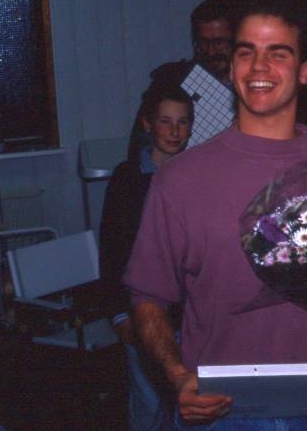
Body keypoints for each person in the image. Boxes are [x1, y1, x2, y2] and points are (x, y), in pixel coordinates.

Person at [123, 2, 307, 430]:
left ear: (305, 71)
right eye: (246, 52)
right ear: (232, 69)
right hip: (219, 409)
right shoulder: (180, 179)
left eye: (278, 53)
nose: (259, 66)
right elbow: (147, 298)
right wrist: (177, 377)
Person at [99, 84, 194, 431]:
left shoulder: (197, 174)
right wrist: (119, 312)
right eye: (165, 121)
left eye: (182, 122)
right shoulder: (128, 179)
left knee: (190, 402)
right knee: (149, 403)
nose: (174, 131)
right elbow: (112, 249)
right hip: (143, 315)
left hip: (189, 314)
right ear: (147, 124)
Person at [127, 0, 234, 160]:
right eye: (204, 42)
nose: (211, 51)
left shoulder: (252, 86)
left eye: (219, 42)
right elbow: (141, 143)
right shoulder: (171, 80)